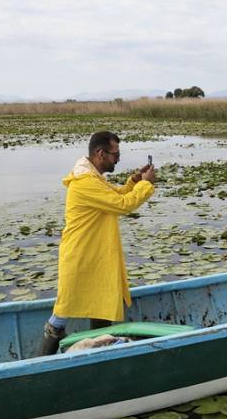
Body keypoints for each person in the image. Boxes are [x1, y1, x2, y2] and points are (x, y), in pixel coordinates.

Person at [38, 131, 156, 355]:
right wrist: (146, 185)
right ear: (100, 153)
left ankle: (98, 355)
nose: (118, 159)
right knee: (61, 315)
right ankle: (38, 364)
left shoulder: (92, 177)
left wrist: (134, 181)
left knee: (101, 304)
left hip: (93, 255)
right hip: (81, 256)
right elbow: (122, 204)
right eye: (115, 154)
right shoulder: (85, 183)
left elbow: (117, 194)